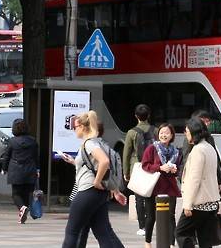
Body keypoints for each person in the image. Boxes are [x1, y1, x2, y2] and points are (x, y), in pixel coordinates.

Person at [61, 110, 126, 248]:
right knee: (103, 231)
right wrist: (115, 190)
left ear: (83, 127)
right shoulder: (98, 142)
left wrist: (96, 181)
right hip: (100, 193)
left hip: (88, 190)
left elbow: (104, 162)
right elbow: (96, 166)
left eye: (75, 127)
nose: (74, 130)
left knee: (72, 231)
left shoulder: (89, 143)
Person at [175, 117, 221, 248]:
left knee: (181, 233)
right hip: (211, 202)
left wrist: (188, 204)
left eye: (187, 132)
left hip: (198, 204)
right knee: (205, 239)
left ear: (194, 132)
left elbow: (194, 179)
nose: (186, 135)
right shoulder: (209, 147)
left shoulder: (198, 150)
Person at [141, 123, 182, 248]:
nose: (164, 135)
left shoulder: (176, 151)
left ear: (172, 135)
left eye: (167, 133)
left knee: (171, 216)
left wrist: (175, 170)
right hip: (154, 187)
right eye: (161, 133)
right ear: (158, 134)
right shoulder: (152, 149)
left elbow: (179, 168)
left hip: (170, 187)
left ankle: (171, 244)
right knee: (151, 217)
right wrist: (159, 167)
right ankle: (147, 242)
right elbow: (145, 165)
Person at [123, 104, 155, 236]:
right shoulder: (156, 130)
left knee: (139, 198)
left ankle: (142, 226)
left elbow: (126, 153)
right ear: (149, 116)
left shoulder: (131, 132)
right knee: (150, 197)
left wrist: (126, 172)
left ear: (136, 116)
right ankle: (150, 223)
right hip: (152, 167)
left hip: (137, 166)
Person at [1, 118, 39, 224]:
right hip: (30, 170)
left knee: (16, 194)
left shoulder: (12, 141)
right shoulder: (33, 140)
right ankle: (23, 210)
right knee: (27, 193)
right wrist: (38, 169)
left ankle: (22, 208)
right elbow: (36, 157)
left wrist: (4, 169)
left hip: (16, 170)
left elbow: (7, 156)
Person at [181, 110, 221, 193]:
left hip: (208, 178)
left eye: (208, 121)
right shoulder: (189, 139)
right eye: (203, 121)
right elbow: (186, 159)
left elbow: (215, 161)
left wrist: (220, 181)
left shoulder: (210, 138)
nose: (206, 124)